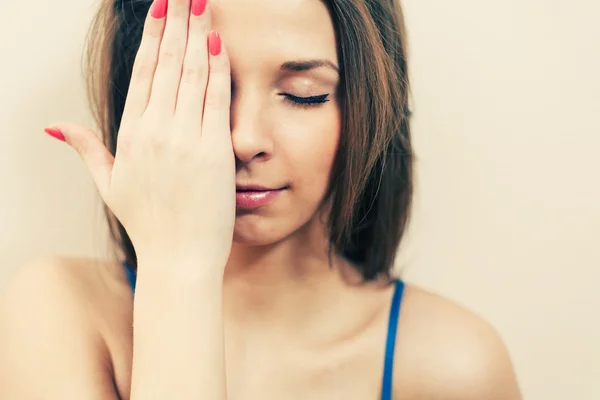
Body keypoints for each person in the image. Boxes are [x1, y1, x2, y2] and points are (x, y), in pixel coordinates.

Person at [0, 0, 521, 398]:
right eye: (206, 88)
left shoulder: (453, 364)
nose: (244, 139)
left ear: (371, 104)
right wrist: (179, 269)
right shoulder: (57, 310)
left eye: (303, 94)